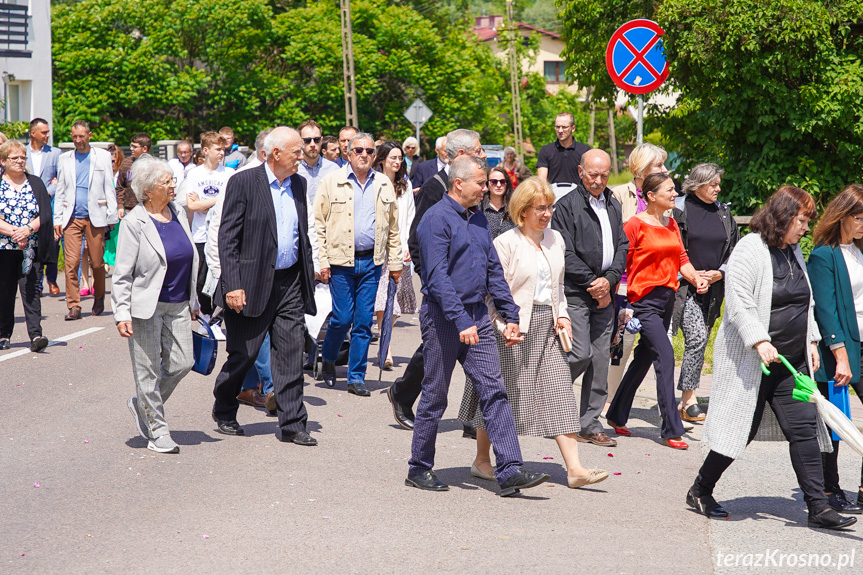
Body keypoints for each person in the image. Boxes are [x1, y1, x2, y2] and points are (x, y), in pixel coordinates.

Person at [689, 185, 856, 530]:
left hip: (791, 364)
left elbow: (804, 301)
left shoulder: (793, 249)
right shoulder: (750, 249)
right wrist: (760, 341)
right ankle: (700, 489)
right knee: (741, 430)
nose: (806, 227)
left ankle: (818, 507)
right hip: (753, 361)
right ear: (783, 217)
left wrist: (811, 339)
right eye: (802, 219)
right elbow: (738, 304)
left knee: (805, 431)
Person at [407, 155, 550, 496]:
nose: (486, 188)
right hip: (444, 317)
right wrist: (460, 322)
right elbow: (437, 278)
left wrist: (510, 315)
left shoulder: (479, 220)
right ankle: (419, 467)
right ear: (459, 184)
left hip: (478, 317)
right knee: (434, 396)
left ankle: (511, 469)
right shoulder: (435, 219)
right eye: (480, 183)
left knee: (495, 391)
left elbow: (492, 272)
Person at [459, 177, 608, 488]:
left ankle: (575, 469)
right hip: (512, 328)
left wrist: (563, 316)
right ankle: (482, 461)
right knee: (500, 397)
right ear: (522, 211)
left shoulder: (556, 240)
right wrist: (501, 326)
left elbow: (559, 289)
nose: (547, 213)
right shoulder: (505, 243)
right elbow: (489, 294)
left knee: (561, 394)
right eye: (540, 208)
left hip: (548, 328)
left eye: (550, 207)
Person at [211, 127, 318, 445]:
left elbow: (301, 234)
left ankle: (293, 423)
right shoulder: (243, 181)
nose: (303, 155)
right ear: (276, 154)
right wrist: (232, 284)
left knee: (290, 353)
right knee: (244, 354)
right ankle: (225, 408)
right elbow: (227, 236)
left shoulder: (300, 183)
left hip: (289, 283)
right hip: (250, 283)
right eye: (297, 151)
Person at [387, 129, 487, 430]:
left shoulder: (475, 184)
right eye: (479, 150)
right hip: (442, 284)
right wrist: (428, 276)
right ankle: (403, 394)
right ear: (460, 155)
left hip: (470, 281)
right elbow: (419, 236)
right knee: (440, 347)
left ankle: (477, 417)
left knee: (467, 347)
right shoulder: (436, 187)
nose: (483, 155)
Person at [606, 173, 708, 449]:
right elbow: (620, 264)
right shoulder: (634, 225)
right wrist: (622, 304)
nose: (675, 194)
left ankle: (616, 414)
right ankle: (671, 428)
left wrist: (696, 277)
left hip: (667, 298)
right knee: (664, 356)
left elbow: (682, 259)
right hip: (644, 301)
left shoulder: (672, 222)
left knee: (644, 358)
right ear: (651, 196)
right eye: (670, 190)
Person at [112, 157, 197, 454]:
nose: (174, 185)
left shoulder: (178, 213)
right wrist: (121, 313)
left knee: (183, 362)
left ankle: (142, 404)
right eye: (167, 181)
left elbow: (190, 259)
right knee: (146, 372)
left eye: (173, 180)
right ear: (149, 190)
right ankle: (157, 430)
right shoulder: (134, 222)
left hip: (179, 304)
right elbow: (122, 274)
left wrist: (194, 299)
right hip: (145, 307)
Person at [550, 149, 628, 447]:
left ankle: (589, 423)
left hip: (605, 293)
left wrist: (608, 282)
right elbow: (564, 251)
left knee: (599, 360)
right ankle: (551, 398)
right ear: (581, 172)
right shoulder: (567, 206)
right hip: (577, 292)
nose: (598, 180)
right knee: (579, 353)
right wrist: (592, 282)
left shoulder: (612, 202)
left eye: (604, 174)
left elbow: (622, 245)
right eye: (593, 174)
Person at [314, 133, 402, 395]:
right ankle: (328, 358)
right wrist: (322, 261)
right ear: (349, 154)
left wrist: (395, 263)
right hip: (340, 262)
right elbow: (318, 224)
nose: (364, 154)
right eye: (358, 150)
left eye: (369, 151)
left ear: (374, 156)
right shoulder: (331, 181)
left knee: (364, 321)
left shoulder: (384, 184)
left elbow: (394, 229)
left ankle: (356, 377)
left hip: (371, 263)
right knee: (341, 319)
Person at [808, 183, 863, 514]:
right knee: (836, 420)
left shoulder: (860, 251)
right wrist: (841, 355)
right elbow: (824, 309)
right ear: (841, 216)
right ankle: (829, 488)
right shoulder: (823, 255)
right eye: (858, 217)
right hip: (839, 350)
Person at [671, 164, 739, 422]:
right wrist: (693, 275)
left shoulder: (723, 212)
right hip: (683, 285)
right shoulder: (679, 209)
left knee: (699, 343)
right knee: (697, 337)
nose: (718, 188)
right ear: (697, 185)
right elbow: (672, 247)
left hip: (712, 288)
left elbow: (734, 248)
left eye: (718, 184)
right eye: (713, 184)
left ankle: (680, 401)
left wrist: (720, 273)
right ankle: (688, 400)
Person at [607, 143, 670, 409]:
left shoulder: (666, 199)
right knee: (620, 347)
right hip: (624, 286)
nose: (665, 170)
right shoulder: (619, 195)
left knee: (646, 350)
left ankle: (617, 406)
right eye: (659, 165)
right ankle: (608, 403)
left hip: (655, 287)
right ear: (642, 170)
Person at [53, 121, 119, 320]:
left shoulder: (102, 156)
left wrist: (112, 215)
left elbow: (109, 186)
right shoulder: (65, 158)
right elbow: (61, 189)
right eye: (74, 137)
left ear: (89, 135)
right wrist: (58, 219)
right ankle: (74, 306)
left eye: (81, 136)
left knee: (97, 263)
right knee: (71, 263)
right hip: (71, 217)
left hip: (95, 216)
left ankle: (99, 297)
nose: (78, 140)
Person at [174, 131, 234, 322]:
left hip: (223, 234)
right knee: (201, 280)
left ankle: (220, 317)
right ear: (206, 150)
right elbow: (192, 206)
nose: (221, 153)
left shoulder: (230, 175)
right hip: (200, 234)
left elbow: (229, 205)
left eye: (223, 149)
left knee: (223, 277)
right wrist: (219, 199)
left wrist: (205, 203)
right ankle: (206, 317)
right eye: (218, 149)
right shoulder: (194, 174)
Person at [0, 140, 54, 352]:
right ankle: (4, 334)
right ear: (3, 161)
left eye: (23, 157)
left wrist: (28, 230)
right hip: (4, 248)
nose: (20, 161)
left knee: (31, 291)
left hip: (30, 249)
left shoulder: (35, 183)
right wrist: (15, 232)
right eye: (15, 158)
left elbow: (45, 214)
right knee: (4, 292)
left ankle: (36, 335)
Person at [371, 141, 415, 369]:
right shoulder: (373, 182)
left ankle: (386, 342)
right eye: (393, 158)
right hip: (378, 249)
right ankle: (384, 346)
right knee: (380, 298)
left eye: (400, 159)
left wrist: (406, 245)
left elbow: (409, 217)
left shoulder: (405, 185)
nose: (397, 162)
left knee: (394, 299)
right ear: (382, 160)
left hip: (399, 249)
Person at [25, 117, 62, 297]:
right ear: (33, 133)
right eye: (44, 132)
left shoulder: (55, 153)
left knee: (52, 242)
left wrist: (48, 190)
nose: (48, 135)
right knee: (32, 242)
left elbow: (61, 179)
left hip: (49, 201)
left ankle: (52, 278)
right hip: (28, 204)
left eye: (48, 132)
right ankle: (36, 283)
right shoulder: (23, 153)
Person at [536, 112, 591, 202]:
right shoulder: (546, 150)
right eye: (557, 127)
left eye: (564, 127)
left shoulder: (584, 151)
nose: (560, 130)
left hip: (578, 198)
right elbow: (541, 181)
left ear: (573, 128)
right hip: (554, 198)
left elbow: (588, 177)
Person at [115, 132, 153, 219]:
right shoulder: (126, 163)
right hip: (130, 210)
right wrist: (120, 206)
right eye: (131, 145)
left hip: (150, 209)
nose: (131, 149)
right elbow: (120, 187)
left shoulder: (153, 164)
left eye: (135, 147)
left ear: (145, 149)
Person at [482, 165, 516, 238]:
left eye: (502, 181)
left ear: (507, 184)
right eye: (494, 182)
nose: (498, 185)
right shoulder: (480, 207)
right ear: (487, 184)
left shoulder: (513, 208)